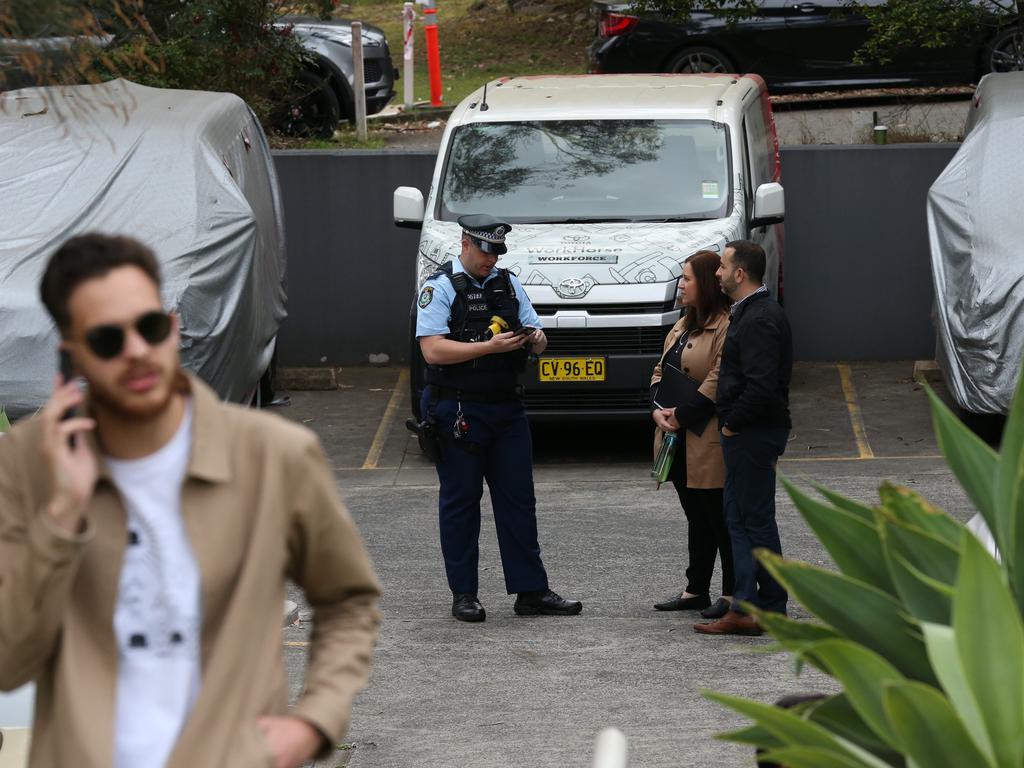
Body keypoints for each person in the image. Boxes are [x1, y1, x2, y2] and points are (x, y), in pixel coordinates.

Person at [0, 234, 381, 768]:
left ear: (174, 326)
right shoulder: (24, 465)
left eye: (150, 328)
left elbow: (348, 600)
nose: (136, 350)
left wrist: (314, 720)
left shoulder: (272, 455)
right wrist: (62, 514)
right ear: (72, 357)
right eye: (108, 340)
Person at [416, 214, 582, 623]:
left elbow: (538, 337)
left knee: (518, 501)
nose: (490, 260)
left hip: (507, 408)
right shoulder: (439, 288)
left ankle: (531, 591)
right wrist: (487, 349)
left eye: (496, 253)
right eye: (485, 252)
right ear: (466, 244)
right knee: (461, 503)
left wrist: (537, 339)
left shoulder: (508, 283)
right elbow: (433, 350)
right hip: (458, 408)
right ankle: (464, 594)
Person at [695, 240, 792, 637]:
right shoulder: (750, 313)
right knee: (742, 518)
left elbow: (762, 384)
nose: (716, 274)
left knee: (752, 520)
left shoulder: (760, 318)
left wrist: (732, 423)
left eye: (721, 267)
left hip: (752, 433)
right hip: (748, 432)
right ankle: (757, 605)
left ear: (740, 273)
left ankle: (759, 607)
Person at [650, 250, 734, 620]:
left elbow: (719, 379)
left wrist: (682, 414)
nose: (681, 285)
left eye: (687, 278)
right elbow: (658, 370)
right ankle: (695, 589)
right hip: (675, 436)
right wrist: (657, 410)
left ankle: (732, 593)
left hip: (706, 437)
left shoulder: (727, 325)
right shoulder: (682, 324)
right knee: (695, 516)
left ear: (706, 282)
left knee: (718, 517)